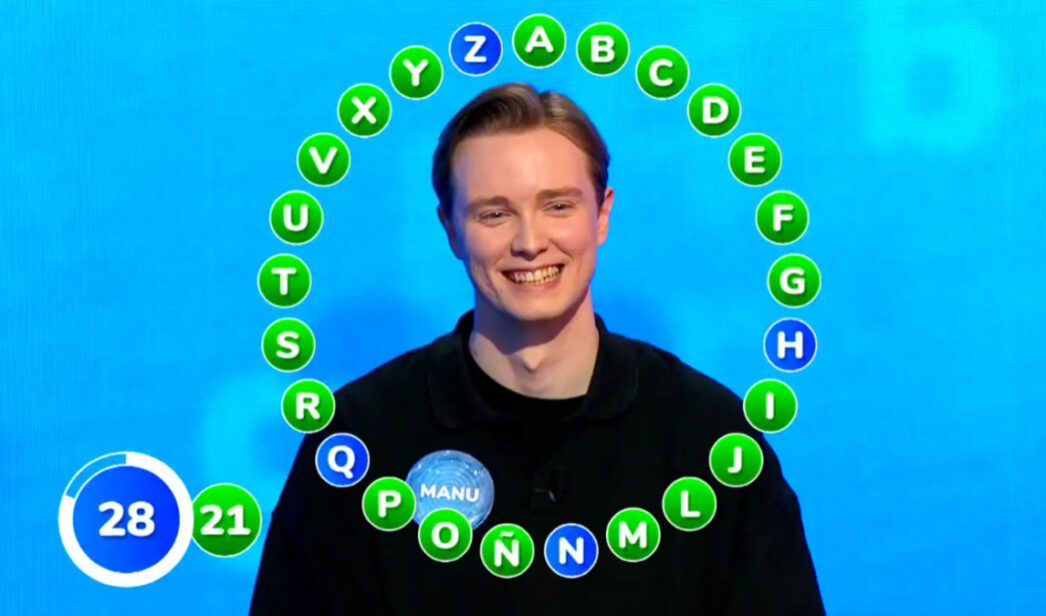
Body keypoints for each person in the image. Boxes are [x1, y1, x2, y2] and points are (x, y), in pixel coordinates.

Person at [250, 82, 824, 615]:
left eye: (558, 206)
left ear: (602, 214)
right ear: (450, 229)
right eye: (494, 214)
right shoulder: (357, 442)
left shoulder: (711, 439)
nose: (529, 242)